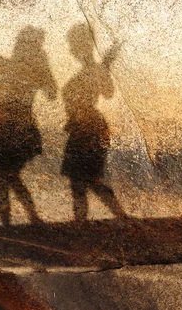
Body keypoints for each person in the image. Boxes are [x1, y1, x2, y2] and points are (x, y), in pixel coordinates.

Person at [0, 17, 57, 226]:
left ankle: (19, 221)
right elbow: (52, 93)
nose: (19, 47)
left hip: (9, 126)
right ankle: (25, 219)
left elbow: (52, 93)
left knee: (6, 177)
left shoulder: (10, 66)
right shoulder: (22, 68)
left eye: (23, 43)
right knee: (6, 177)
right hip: (15, 126)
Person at [61, 23, 127, 221]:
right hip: (83, 129)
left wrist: (104, 68)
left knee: (87, 179)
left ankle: (119, 217)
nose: (70, 48)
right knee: (80, 181)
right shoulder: (92, 69)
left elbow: (108, 93)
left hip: (90, 129)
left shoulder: (94, 70)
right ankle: (83, 221)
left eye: (73, 43)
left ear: (83, 45)